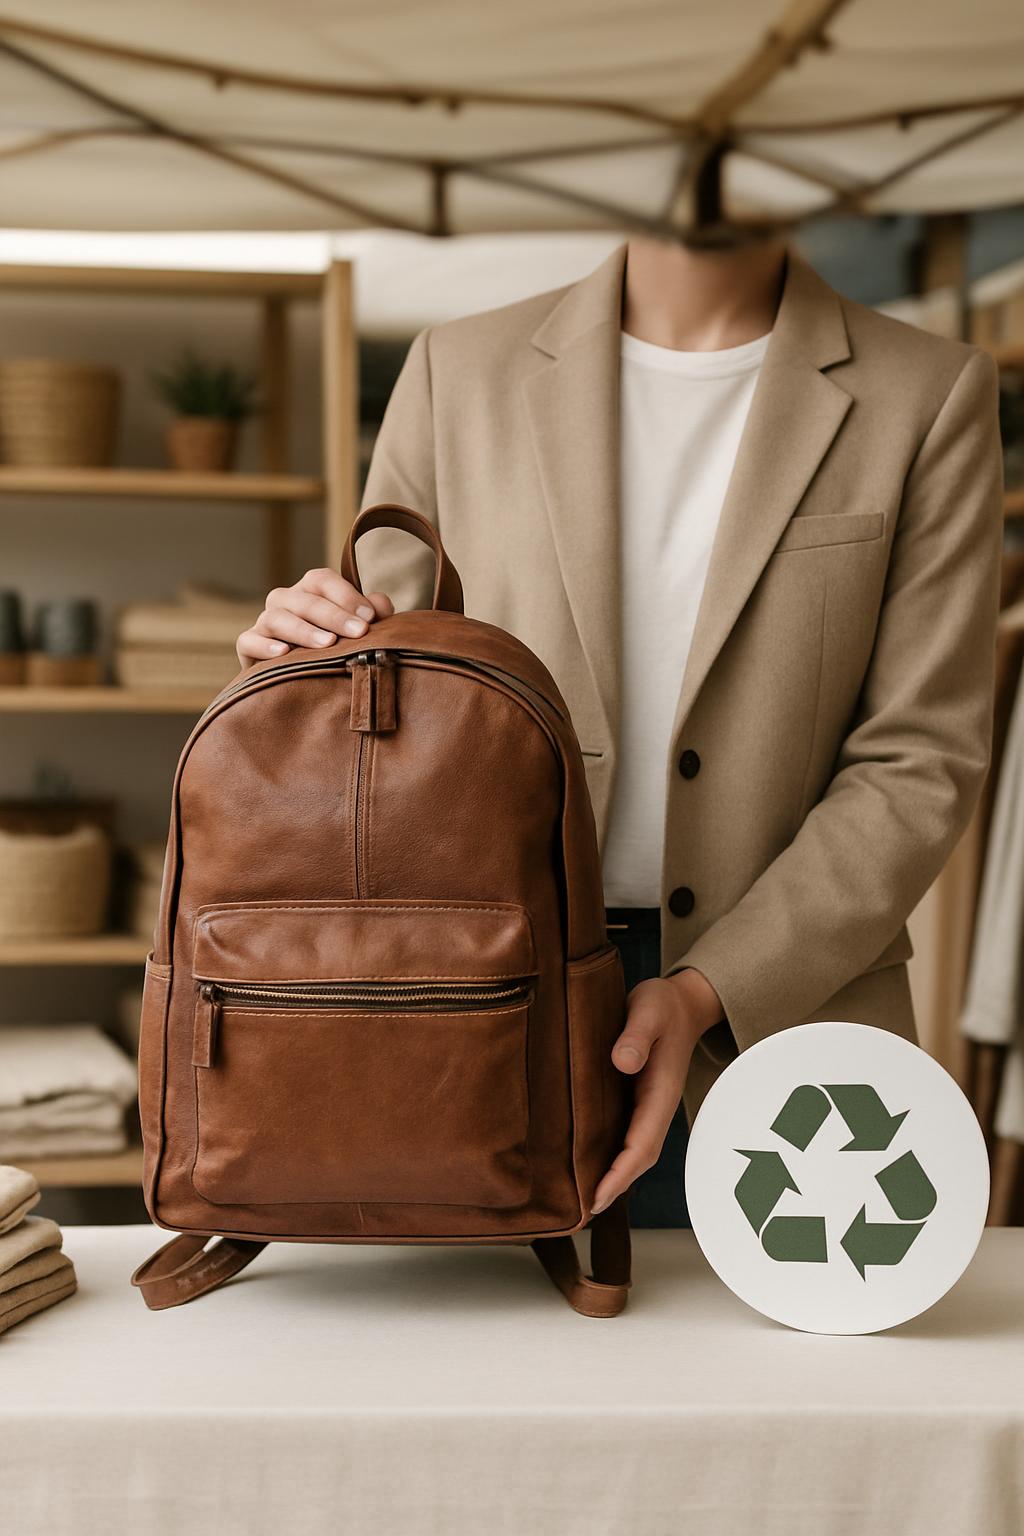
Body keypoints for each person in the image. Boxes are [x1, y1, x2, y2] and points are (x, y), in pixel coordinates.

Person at [236, 233, 1003, 1229]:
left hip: (789, 1021)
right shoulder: (457, 371)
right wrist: (294, 665)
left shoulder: (929, 393)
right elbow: (383, 708)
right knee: (473, 1370)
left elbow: (919, 760)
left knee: (785, 1382)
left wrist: (703, 992)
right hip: (481, 999)